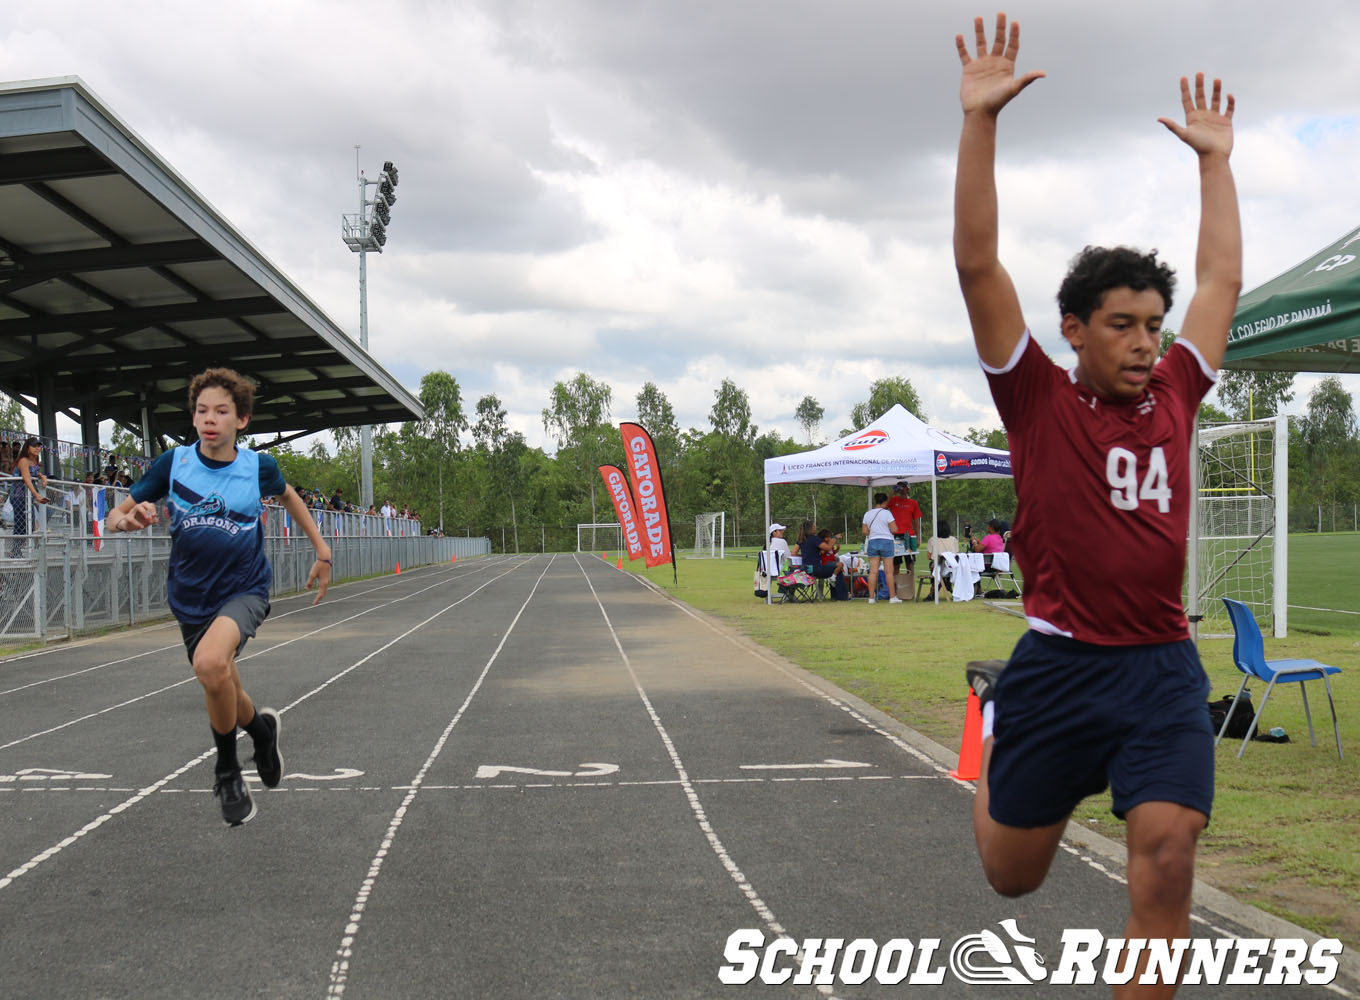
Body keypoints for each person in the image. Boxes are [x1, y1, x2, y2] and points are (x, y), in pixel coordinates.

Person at [952, 14, 1240, 995]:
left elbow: (1221, 278)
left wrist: (1213, 162)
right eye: (1119, 325)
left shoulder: (1178, 391)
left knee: (1166, 856)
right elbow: (977, 268)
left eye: (1152, 327)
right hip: (1059, 667)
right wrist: (979, 123)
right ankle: (996, 722)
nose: (1143, 343)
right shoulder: (1033, 394)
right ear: (1073, 328)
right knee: (1009, 875)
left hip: (1160, 668)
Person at [102, 368, 333, 827]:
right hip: (190, 596)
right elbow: (115, 514)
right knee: (221, 682)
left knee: (210, 665)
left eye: (221, 412)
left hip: (244, 590)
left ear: (241, 421)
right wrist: (127, 520)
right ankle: (262, 733)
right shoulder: (175, 464)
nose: (210, 418)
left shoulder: (256, 468)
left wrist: (322, 550)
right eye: (202, 410)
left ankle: (227, 771)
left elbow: (289, 497)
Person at [10, 438, 50, 557]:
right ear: (27, 448)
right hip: (18, 496)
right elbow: (27, 478)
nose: (38, 448)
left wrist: (43, 477)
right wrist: (37, 495)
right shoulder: (23, 460)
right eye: (34, 446)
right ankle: (15, 550)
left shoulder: (34, 461)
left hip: (27, 498)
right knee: (22, 523)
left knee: (29, 522)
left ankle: (16, 550)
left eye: (39, 446)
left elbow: (36, 473)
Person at [860, 493, 901, 604]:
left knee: (873, 572)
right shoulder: (887, 513)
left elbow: (864, 531)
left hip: (872, 541)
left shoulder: (867, 514)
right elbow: (894, 529)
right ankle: (892, 597)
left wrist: (873, 532)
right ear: (885, 502)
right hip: (886, 542)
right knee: (889, 571)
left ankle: (871, 598)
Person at [885, 481, 924, 589]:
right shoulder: (893, 500)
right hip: (896, 536)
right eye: (900, 487)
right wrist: (893, 492)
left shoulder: (913, 503)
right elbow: (884, 506)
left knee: (910, 564)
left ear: (908, 489)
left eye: (904, 487)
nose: (902, 490)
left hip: (909, 536)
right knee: (896, 565)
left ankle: (910, 587)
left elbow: (916, 522)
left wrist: (917, 538)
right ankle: (895, 589)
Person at [797, 519, 846, 586]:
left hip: (805, 569)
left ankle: (838, 593)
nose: (815, 528)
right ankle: (840, 595)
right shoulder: (815, 539)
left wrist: (805, 555)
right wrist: (834, 538)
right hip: (816, 569)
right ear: (811, 528)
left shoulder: (801, 539)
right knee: (839, 570)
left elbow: (793, 553)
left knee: (836, 569)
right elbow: (828, 548)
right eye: (814, 526)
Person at [925, 519, 960, 599]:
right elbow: (957, 553)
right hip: (953, 568)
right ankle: (947, 585)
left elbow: (929, 556)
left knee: (933, 566)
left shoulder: (932, 539)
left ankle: (933, 589)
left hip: (938, 567)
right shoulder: (953, 539)